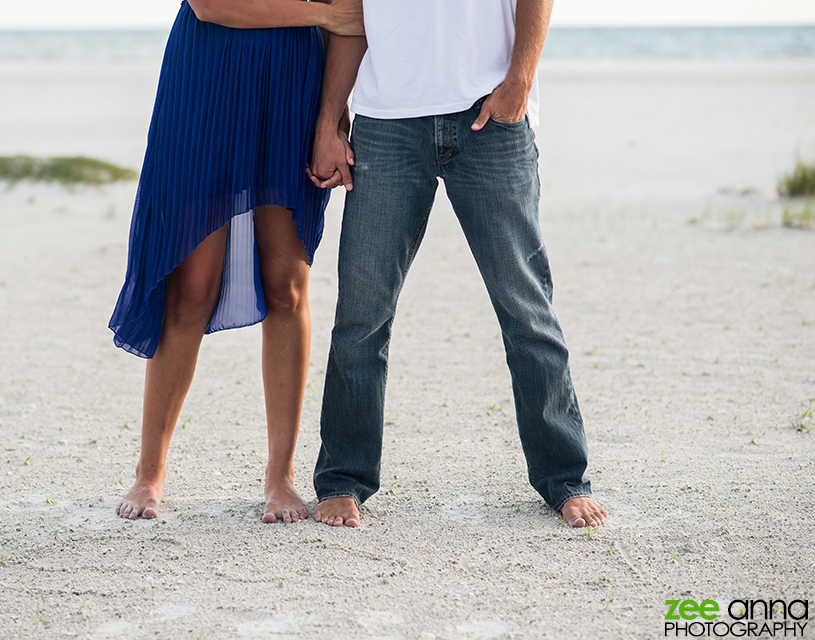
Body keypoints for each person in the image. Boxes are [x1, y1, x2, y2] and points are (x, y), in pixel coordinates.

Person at [308, 0, 608, 528]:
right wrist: (329, 119)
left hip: (490, 113)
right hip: (386, 122)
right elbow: (350, 16)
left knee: (527, 310)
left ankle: (564, 477)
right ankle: (343, 479)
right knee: (361, 314)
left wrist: (519, 80)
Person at [109, 0, 363, 523]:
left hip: (293, 82)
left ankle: (280, 477)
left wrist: (329, 120)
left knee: (285, 285)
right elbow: (210, 4)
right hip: (208, 76)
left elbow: (352, 19)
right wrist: (318, 15)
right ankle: (149, 471)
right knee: (192, 286)